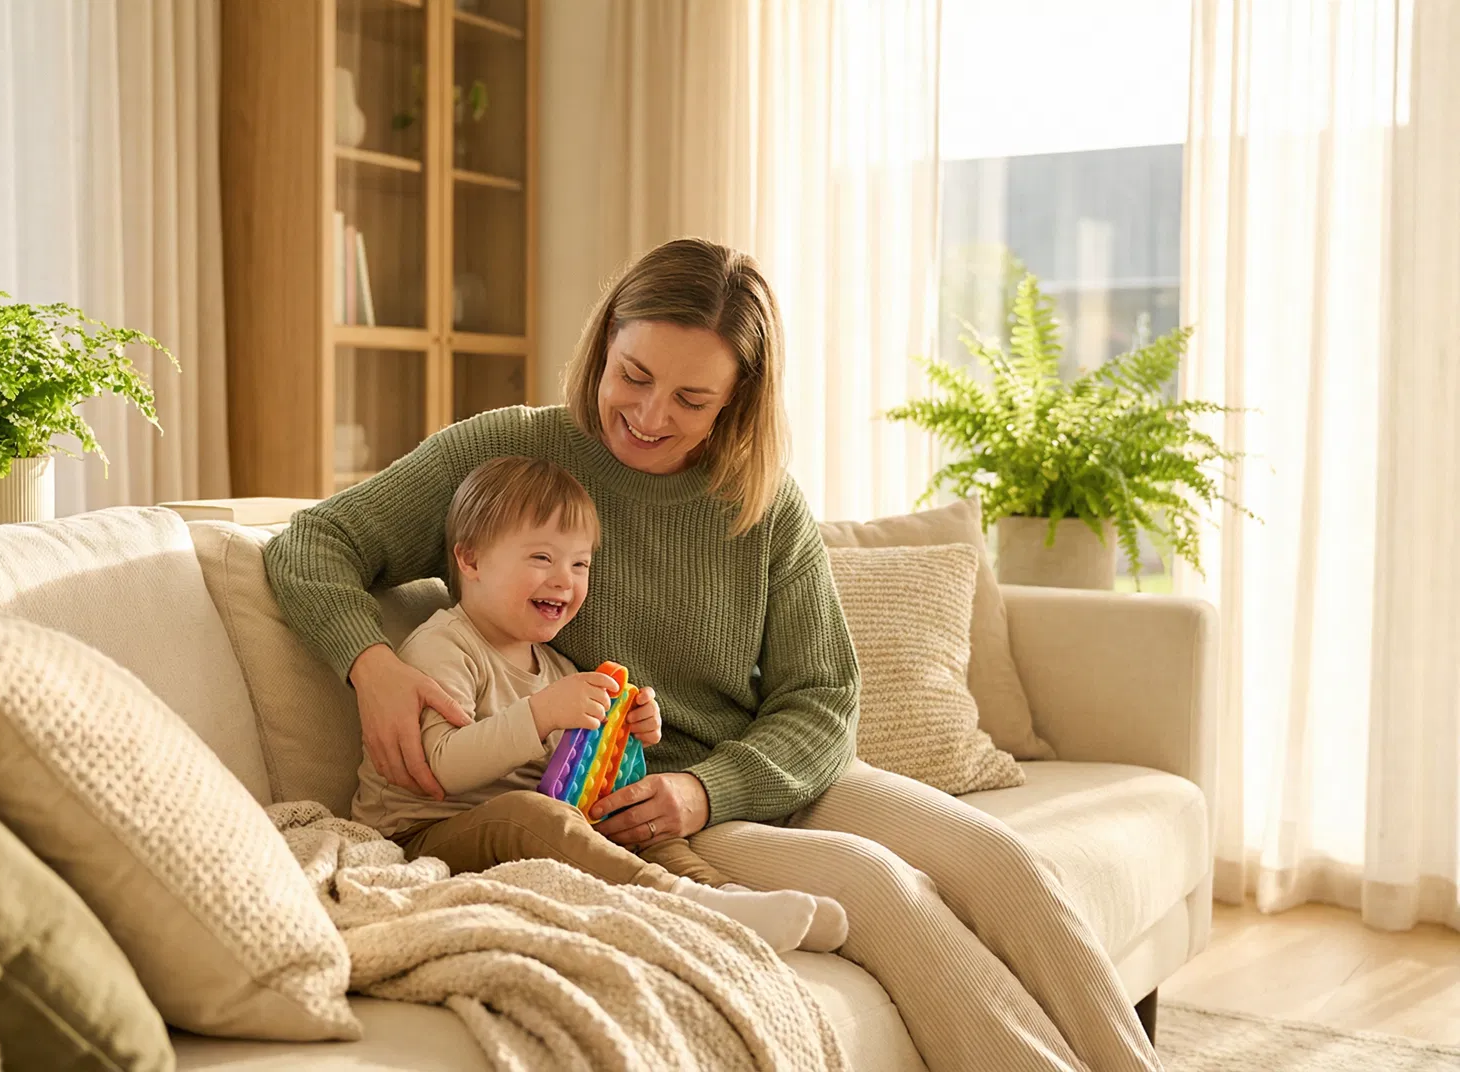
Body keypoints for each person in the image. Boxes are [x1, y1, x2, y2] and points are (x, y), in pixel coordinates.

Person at [265, 237, 1162, 1072]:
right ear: (603, 346)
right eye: (634, 376)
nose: (650, 416)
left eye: (692, 399)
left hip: (746, 781)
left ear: (738, 397)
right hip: (636, 806)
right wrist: (371, 666)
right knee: (885, 892)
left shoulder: (761, 502)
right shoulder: (515, 455)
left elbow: (822, 698)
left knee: (1001, 860)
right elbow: (313, 546)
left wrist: (708, 789)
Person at [350, 453, 848, 953]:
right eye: (542, 558)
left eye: (579, 563)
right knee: (531, 814)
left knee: (627, 814)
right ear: (472, 560)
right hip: (422, 833)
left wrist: (628, 730)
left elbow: (575, 770)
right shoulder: (443, 645)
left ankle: (722, 896)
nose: (564, 579)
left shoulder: (556, 666)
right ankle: (681, 900)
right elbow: (440, 768)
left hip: (523, 829)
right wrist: (543, 713)